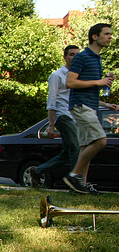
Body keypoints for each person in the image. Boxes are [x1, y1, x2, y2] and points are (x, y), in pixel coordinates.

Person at [63, 23, 119, 194]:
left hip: (91, 105)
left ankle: (82, 186)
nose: (110, 37)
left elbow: (90, 88)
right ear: (95, 37)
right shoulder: (82, 57)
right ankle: (74, 175)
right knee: (100, 141)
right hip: (81, 106)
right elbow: (70, 82)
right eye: (106, 34)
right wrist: (99, 82)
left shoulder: (97, 59)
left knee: (85, 145)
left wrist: (106, 103)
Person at [29, 45, 81, 188]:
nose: (74, 57)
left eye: (77, 54)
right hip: (62, 115)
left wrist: (106, 105)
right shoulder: (57, 76)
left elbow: (82, 98)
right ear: (65, 57)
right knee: (77, 148)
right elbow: (51, 102)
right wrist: (51, 125)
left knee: (68, 152)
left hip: (74, 116)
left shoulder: (77, 76)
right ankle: (76, 184)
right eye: (71, 54)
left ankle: (38, 171)